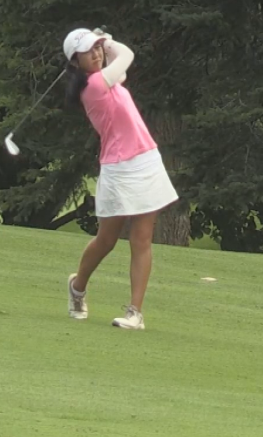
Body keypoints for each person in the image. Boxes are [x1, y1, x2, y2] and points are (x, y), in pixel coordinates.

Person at [63, 28, 179, 330]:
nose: (97, 54)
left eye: (97, 49)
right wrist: (110, 42)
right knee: (107, 240)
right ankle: (77, 287)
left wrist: (103, 42)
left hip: (146, 160)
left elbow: (120, 67)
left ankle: (135, 313)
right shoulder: (94, 87)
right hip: (118, 167)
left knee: (142, 239)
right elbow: (126, 55)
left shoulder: (107, 80)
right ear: (76, 62)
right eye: (90, 51)